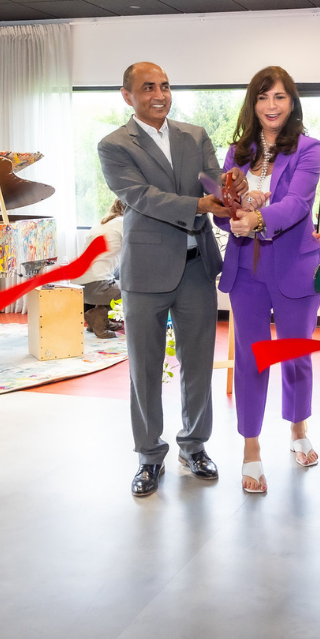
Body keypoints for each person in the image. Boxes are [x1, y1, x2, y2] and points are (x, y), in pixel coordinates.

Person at [98, 61, 241, 498]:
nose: (159, 94)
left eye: (164, 86)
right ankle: (148, 455)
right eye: (148, 87)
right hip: (145, 274)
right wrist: (201, 205)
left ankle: (195, 446)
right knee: (144, 371)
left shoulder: (194, 135)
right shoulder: (113, 145)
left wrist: (237, 191)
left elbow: (215, 179)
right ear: (128, 95)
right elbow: (140, 197)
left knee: (197, 366)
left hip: (197, 269)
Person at [216, 66, 320, 494]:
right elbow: (223, 211)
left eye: (280, 97)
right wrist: (235, 219)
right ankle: (251, 448)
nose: (271, 106)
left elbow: (298, 203)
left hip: (295, 267)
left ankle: (298, 429)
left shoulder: (309, 148)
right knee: (252, 357)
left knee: (296, 353)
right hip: (247, 271)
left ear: (292, 102)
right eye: (263, 97)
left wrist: (258, 216)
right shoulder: (236, 153)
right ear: (253, 104)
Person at [75, 198, 126, 339]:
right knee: (133, 290)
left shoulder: (103, 223)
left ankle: (99, 321)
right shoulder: (124, 224)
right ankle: (97, 315)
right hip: (95, 285)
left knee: (117, 276)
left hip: (80, 285)